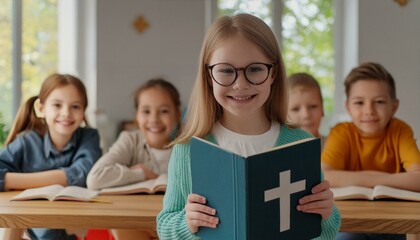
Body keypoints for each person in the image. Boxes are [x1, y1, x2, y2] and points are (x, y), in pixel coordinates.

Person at [157, 13, 341, 240]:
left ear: (272, 73)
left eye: (255, 69)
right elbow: (165, 227)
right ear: (208, 76)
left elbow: (324, 233)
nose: (240, 84)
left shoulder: (299, 143)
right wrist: (187, 223)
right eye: (225, 70)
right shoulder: (189, 150)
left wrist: (326, 214)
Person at [322, 62, 420, 240]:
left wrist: (361, 179)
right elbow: (324, 176)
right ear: (348, 107)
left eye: (380, 102)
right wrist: (385, 180)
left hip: (396, 221)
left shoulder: (400, 131)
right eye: (359, 102)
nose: (369, 111)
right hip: (351, 223)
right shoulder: (341, 133)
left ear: (394, 106)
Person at [0, 74, 102, 240]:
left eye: (75, 107)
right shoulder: (27, 141)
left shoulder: (89, 137)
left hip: (75, 229)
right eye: (57, 105)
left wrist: (10, 180)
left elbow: (83, 173)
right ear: (41, 109)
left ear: (83, 111)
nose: (66, 113)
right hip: (32, 230)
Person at [87, 78, 181, 240]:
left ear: (178, 114)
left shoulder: (188, 146)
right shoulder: (129, 140)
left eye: (164, 111)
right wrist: (141, 174)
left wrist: (160, 179)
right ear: (136, 115)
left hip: (176, 227)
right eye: (146, 111)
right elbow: (95, 178)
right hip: (135, 224)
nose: (154, 119)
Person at [287, 72, 326, 149]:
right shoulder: (275, 153)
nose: (306, 115)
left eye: (313, 106)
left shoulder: (335, 146)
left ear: (322, 109)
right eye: (295, 109)